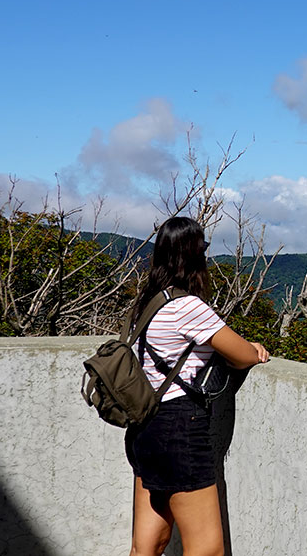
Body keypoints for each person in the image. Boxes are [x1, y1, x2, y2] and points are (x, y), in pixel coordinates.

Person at [125, 216, 269, 556]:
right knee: (206, 549)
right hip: (180, 429)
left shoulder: (149, 302)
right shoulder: (187, 307)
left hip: (145, 426)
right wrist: (256, 349)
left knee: (146, 546)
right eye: (203, 247)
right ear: (194, 254)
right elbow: (243, 355)